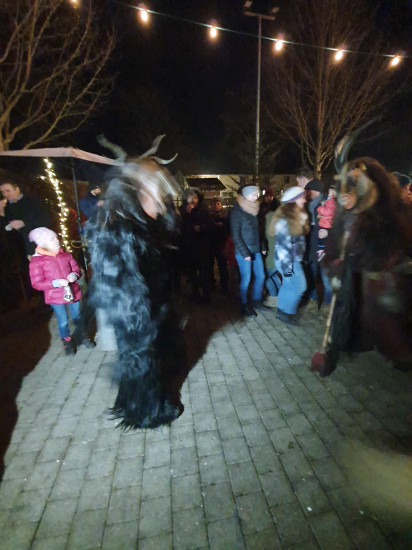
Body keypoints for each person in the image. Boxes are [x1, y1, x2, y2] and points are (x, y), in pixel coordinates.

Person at [80, 139, 184, 429]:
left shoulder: (138, 222)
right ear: (139, 191)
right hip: (135, 317)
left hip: (148, 311)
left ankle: (139, 402)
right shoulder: (118, 227)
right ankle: (147, 412)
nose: (161, 202)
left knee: (150, 359)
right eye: (156, 193)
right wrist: (142, 322)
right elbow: (117, 286)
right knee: (141, 362)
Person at [312, 156, 412, 377]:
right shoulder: (346, 213)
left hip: (386, 285)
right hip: (356, 279)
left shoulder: (395, 214)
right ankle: (334, 355)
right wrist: (334, 261)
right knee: (348, 311)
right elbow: (335, 244)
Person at [28, 227, 94, 355]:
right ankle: (67, 341)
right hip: (54, 296)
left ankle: (82, 335)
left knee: (77, 316)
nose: (57, 240)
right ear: (44, 244)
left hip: (72, 291)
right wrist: (56, 283)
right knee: (63, 320)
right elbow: (36, 283)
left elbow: (75, 269)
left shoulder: (65, 255)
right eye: (53, 239)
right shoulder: (37, 262)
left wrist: (74, 275)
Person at [267, 186, 309, 325]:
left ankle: (282, 311)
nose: (304, 200)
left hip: (290, 259)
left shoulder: (297, 217)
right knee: (300, 287)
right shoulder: (286, 221)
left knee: (287, 285)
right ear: (293, 201)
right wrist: (287, 268)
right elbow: (284, 247)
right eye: (302, 198)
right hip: (288, 261)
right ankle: (289, 313)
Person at [230, 185, 271, 316]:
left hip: (256, 249)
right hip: (243, 252)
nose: (257, 197)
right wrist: (244, 253)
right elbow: (236, 235)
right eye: (254, 194)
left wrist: (262, 246)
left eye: (257, 194)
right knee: (246, 278)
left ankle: (256, 300)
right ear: (246, 195)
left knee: (261, 276)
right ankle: (244, 304)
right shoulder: (237, 212)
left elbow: (259, 231)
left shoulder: (255, 209)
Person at [0, 181, 50, 258]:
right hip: (14, 251)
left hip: (33, 247)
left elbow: (44, 221)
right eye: (3, 192)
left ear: (17, 189)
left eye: (8, 191)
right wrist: (1, 212)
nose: (5, 194)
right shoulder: (4, 206)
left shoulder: (34, 202)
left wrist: (24, 223)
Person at [179, 187, 212, 303]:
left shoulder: (204, 210)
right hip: (189, 247)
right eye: (191, 197)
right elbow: (180, 227)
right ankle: (195, 294)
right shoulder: (182, 210)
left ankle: (206, 296)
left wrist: (201, 228)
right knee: (192, 273)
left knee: (204, 273)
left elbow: (210, 226)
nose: (193, 200)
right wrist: (187, 214)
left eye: (195, 197)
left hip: (202, 247)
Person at [302, 178, 325, 306]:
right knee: (311, 273)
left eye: (309, 191)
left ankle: (325, 304)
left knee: (324, 277)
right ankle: (313, 299)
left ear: (316, 191)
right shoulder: (309, 205)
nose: (307, 193)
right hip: (310, 245)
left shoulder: (325, 205)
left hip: (322, 247)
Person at [316, 185, 337, 305]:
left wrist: (328, 233)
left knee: (329, 281)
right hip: (322, 248)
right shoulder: (325, 203)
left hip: (332, 250)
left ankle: (329, 304)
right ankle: (327, 303)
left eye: (332, 192)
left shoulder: (337, 206)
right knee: (325, 278)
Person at [209, 197, 230, 293]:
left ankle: (224, 285)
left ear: (221, 205)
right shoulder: (209, 215)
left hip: (222, 244)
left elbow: (229, 227)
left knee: (222, 266)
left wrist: (223, 226)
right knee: (210, 265)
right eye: (214, 204)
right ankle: (211, 284)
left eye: (218, 203)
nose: (216, 205)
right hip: (211, 243)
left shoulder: (226, 215)